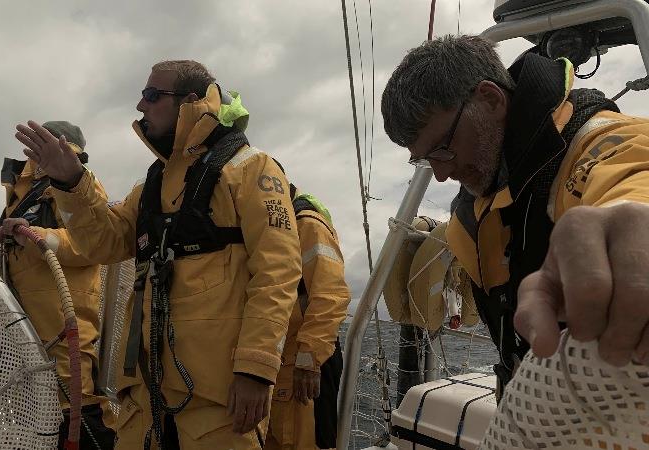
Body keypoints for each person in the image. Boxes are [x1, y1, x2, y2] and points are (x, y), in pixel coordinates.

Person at [1, 60, 302, 449]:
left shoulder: (251, 169)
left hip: (219, 399)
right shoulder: (152, 184)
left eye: (151, 96)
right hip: (145, 397)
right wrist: (71, 181)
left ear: (190, 102)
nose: (141, 107)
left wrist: (256, 370)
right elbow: (103, 242)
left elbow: (277, 271)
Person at [380, 35, 649, 393]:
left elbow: (632, 171)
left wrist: (627, 229)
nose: (441, 174)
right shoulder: (471, 215)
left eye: (443, 149)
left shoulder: (594, 142)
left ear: (490, 99)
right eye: (426, 160)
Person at [0, 120, 116, 449]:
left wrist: (39, 238)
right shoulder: (21, 193)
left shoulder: (78, 189)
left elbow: (91, 243)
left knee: (76, 414)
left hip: (64, 334)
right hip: (21, 339)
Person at [265, 183, 350, 450]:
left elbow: (330, 295)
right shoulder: (275, 232)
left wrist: (308, 360)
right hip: (283, 362)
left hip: (308, 363)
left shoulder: (307, 226)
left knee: (308, 440)